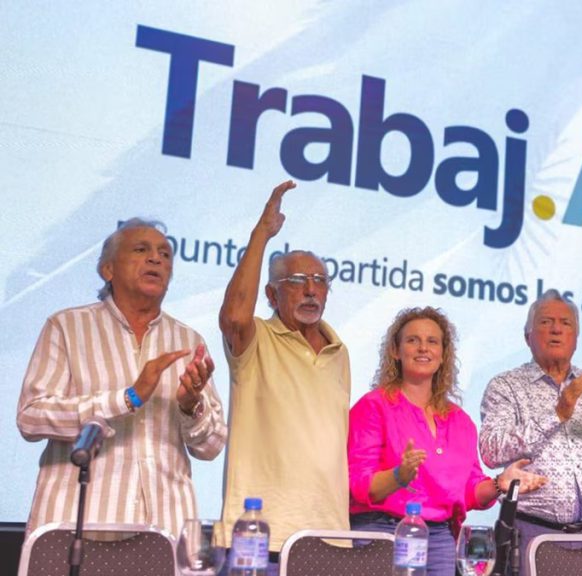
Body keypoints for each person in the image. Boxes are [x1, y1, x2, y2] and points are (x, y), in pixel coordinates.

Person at [17, 219, 226, 537]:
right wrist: (127, 398)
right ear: (108, 270)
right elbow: (31, 418)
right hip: (78, 527)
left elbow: (211, 446)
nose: (156, 258)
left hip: (166, 531)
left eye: (165, 254)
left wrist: (189, 407)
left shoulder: (188, 340)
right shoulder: (67, 327)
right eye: (141, 250)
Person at [348, 306, 546, 576]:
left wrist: (501, 483)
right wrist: (398, 476)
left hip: (440, 538)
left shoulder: (460, 421)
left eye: (432, 341)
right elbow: (360, 487)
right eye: (412, 340)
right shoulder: (373, 407)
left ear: (443, 355)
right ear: (395, 351)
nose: (423, 348)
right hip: (383, 532)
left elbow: (468, 492)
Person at [217, 180, 352, 552]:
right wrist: (262, 233)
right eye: (296, 281)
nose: (311, 289)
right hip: (262, 531)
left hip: (330, 532)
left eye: (320, 281)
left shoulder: (339, 352)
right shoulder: (255, 338)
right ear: (271, 294)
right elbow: (232, 315)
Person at [479, 289, 582, 576]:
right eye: (545, 322)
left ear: (576, 339)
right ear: (527, 336)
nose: (556, 329)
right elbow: (491, 450)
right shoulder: (505, 386)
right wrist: (557, 413)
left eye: (565, 323)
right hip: (532, 532)